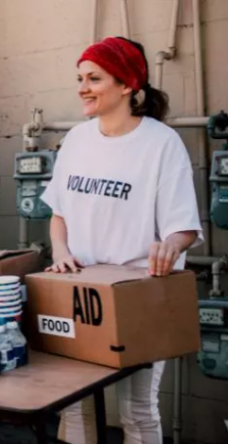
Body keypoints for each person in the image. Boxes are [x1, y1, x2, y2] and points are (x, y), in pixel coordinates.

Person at [41, 36, 202, 444]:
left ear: (127, 85)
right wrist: (60, 251)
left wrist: (171, 245)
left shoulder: (161, 143)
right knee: (74, 404)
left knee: (137, 410)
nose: (82, 88)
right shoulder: (77, 139)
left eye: (94, 78)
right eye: (80, 78)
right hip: (79, 291)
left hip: (139, 294)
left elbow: (183, 226)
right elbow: (59, 214)